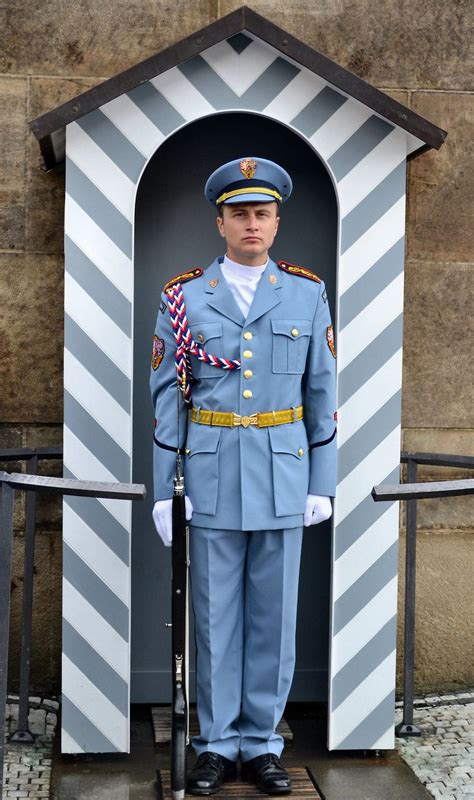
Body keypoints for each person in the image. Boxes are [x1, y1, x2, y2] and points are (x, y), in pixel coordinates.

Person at [150, 156, 337, 796]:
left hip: (285, 476)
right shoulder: (183, 298)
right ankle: (214, 744)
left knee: (274, 622)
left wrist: (323, 482)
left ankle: (261, 745)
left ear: (277, 222)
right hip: (209, 476)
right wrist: (161, 493)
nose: (250, 223)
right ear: (220, 222)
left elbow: (322, 394)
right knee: (215, 621)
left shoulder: (307, 294)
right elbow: (166, 401)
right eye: (239, 213)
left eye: (262, 213)